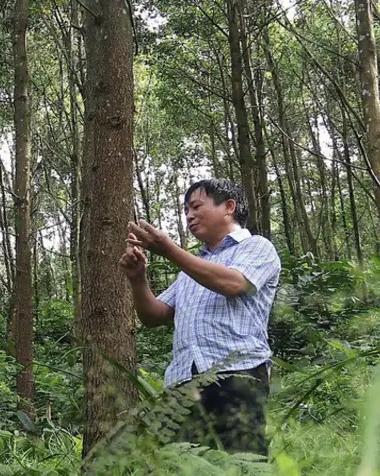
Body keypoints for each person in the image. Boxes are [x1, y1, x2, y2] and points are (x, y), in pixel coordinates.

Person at [120, 178, 282, 456]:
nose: (189, 216)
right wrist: (137, 280)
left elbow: (233, 284)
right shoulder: (191, 271)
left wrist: (169, 250)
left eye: (196, 206)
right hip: (184, 382)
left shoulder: (256, 247)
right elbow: (154, 316)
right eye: (185, 211)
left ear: (229, 207)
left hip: (237, 375)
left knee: (243, 467)